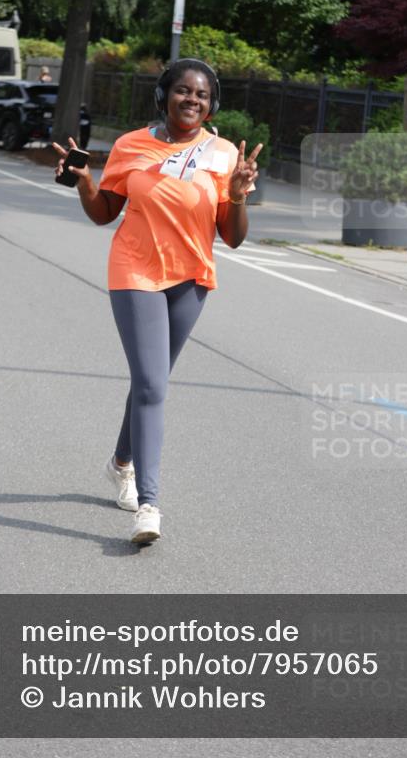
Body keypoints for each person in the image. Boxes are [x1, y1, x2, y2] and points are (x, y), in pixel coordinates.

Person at [53, 58, 261, 545]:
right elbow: (105, 212)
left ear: (212, 106)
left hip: (191, 278)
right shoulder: (131, 146)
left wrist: (237, 196)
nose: (193, 100)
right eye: (184, 91)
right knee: (151, 385)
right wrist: (85, 182)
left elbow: (232, 237)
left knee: (152, 383)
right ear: (164, 95)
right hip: (135, 271)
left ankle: (120, 463)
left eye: (203, 95)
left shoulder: (225, 154)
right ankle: (149, 504)